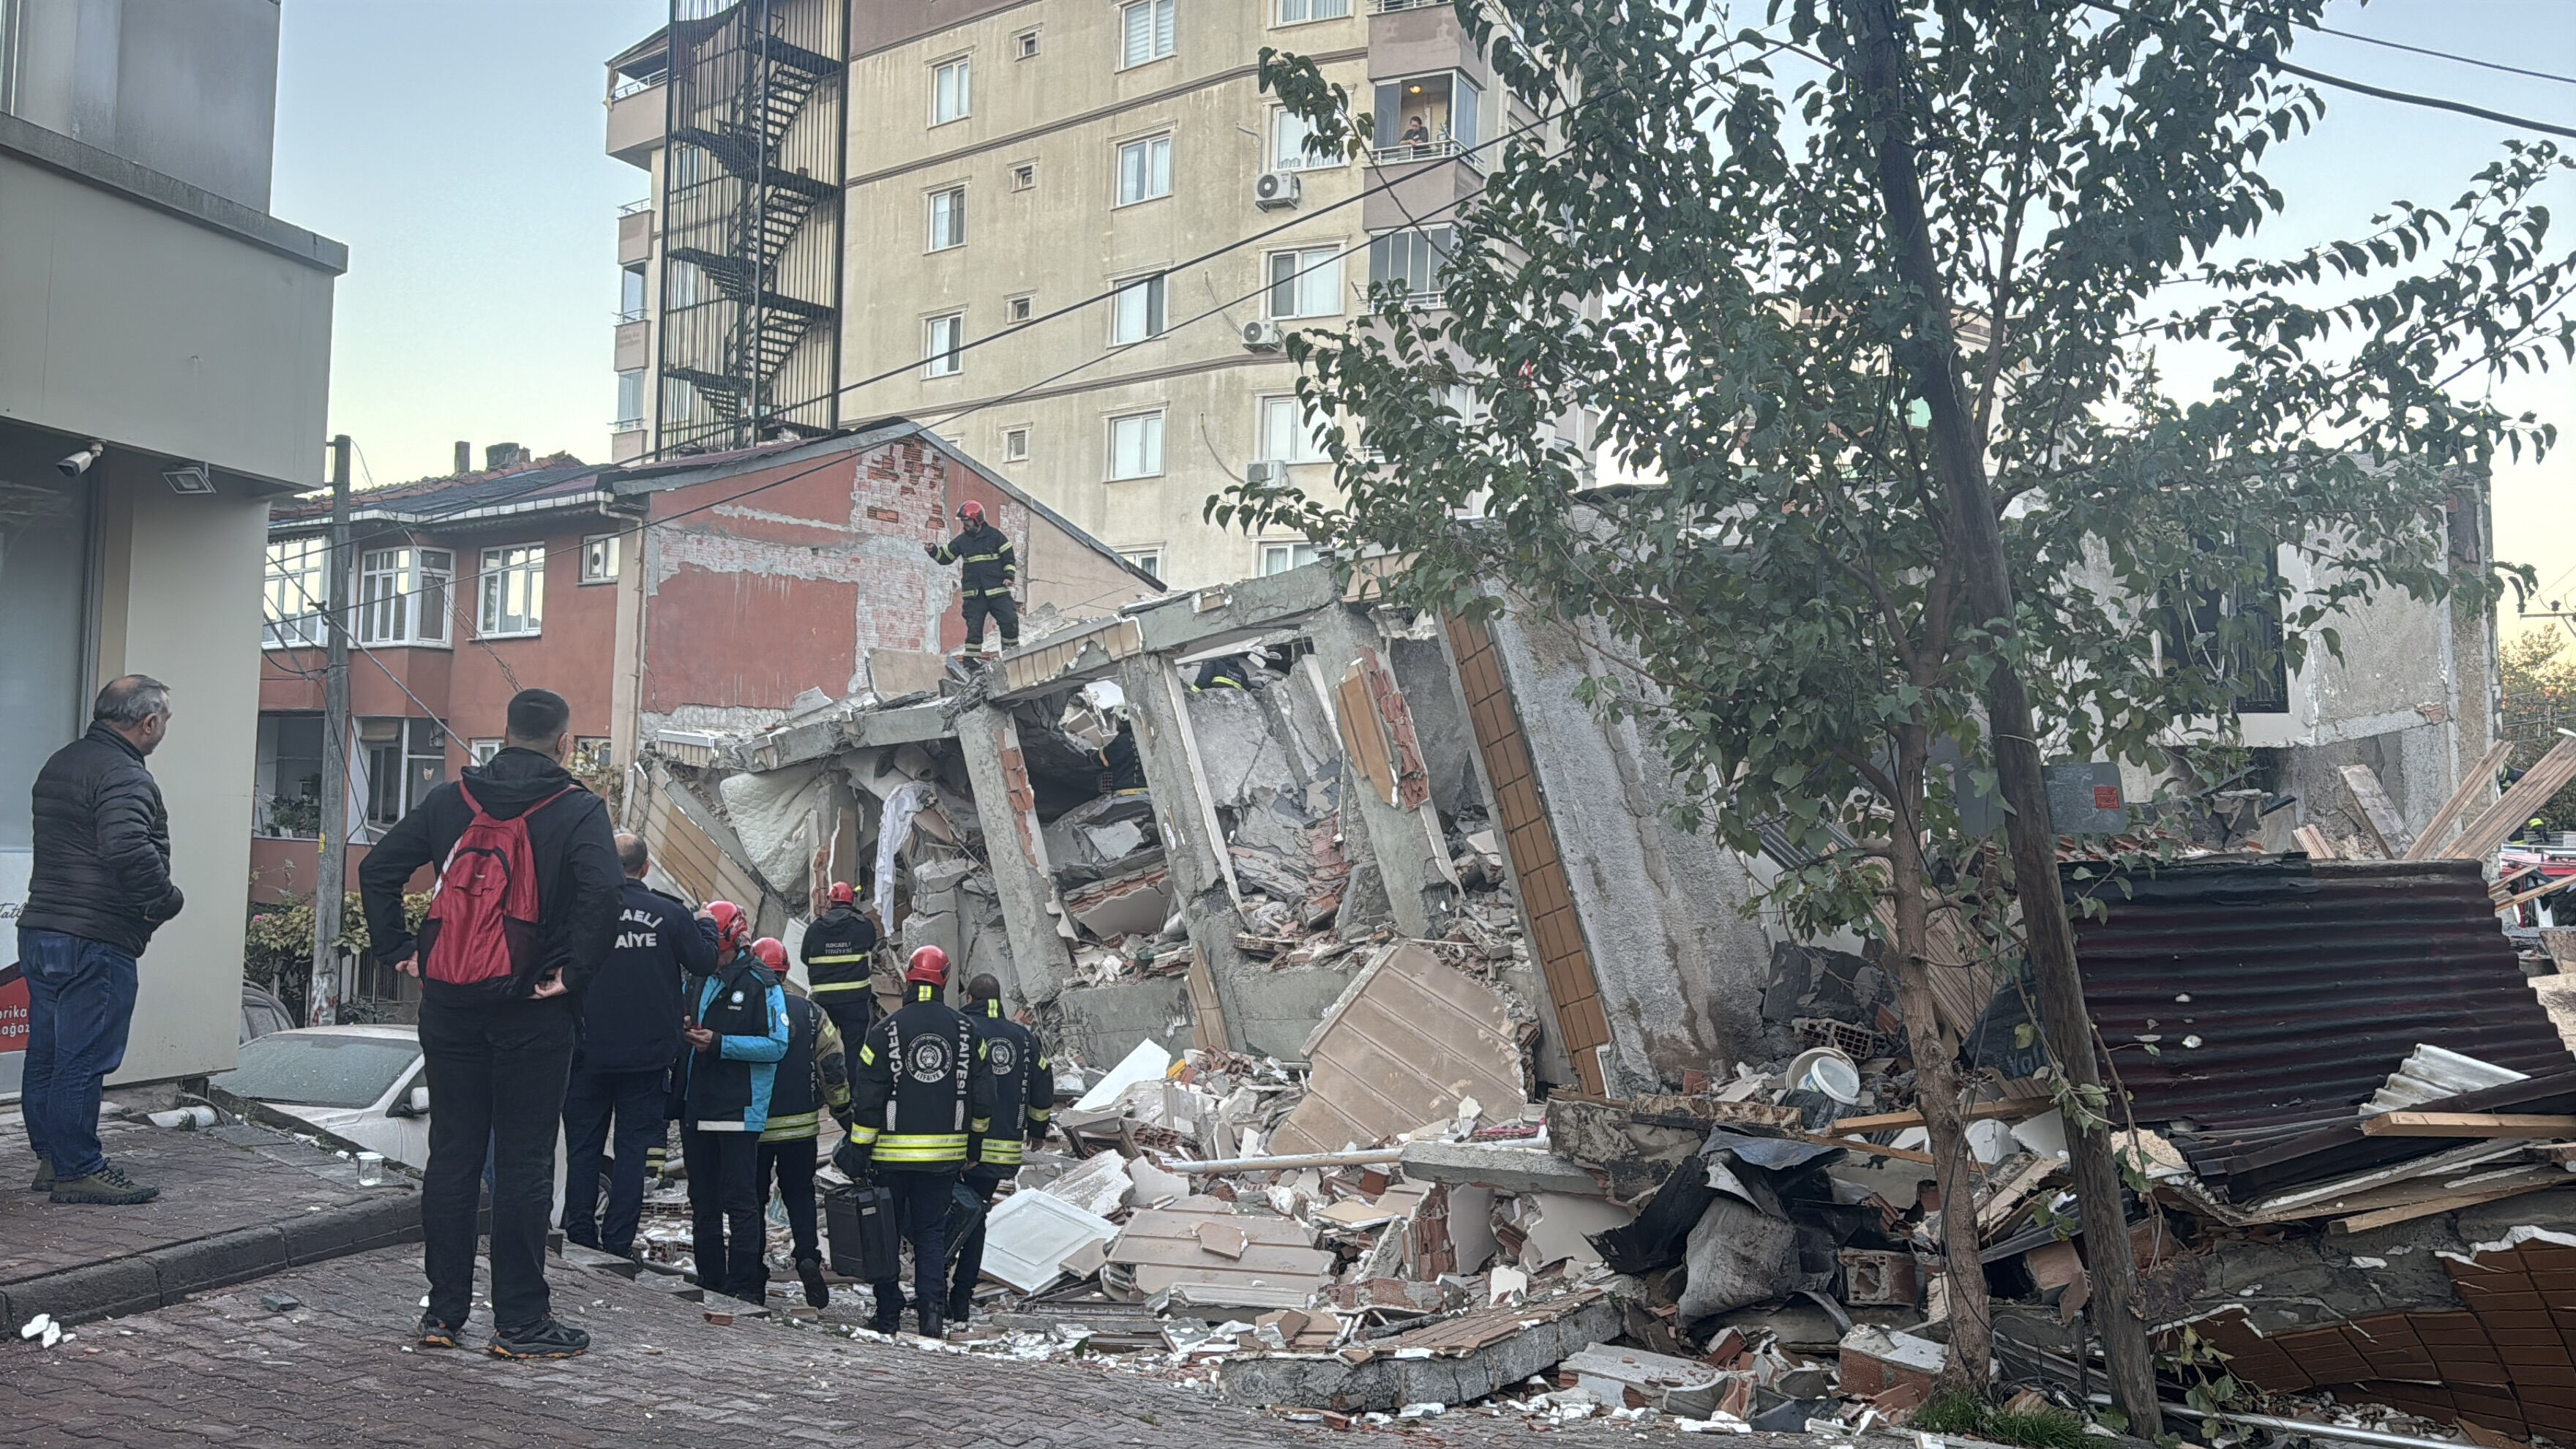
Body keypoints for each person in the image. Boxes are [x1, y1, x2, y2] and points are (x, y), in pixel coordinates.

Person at [362, 687, 621, 1359]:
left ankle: (442, 1315)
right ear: (564, 742)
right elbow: (603, 893)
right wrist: (573, 973)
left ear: (503, 735)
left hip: (449, 1004)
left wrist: (400, 951)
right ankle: (521, 1324)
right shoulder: (577, 809)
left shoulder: (452, 801)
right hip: (533, 1008)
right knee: (525, 1162)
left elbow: (378, 867)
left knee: (452, 1157)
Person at [19, 675, 184, 1206]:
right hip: (95, 937)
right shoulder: (124, 774)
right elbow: (127, 847)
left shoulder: (62, 762)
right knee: (83, 1058)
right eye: (165, 721)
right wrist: (165, 900)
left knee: (46, 1054)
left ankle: (52, 1157)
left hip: (42, 929)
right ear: (148, 721)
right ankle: (78, 1168)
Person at [561, 832, 713, 1259]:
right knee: (632, 1153)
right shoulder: (668, 913)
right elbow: (703, 961)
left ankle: (579, 1234)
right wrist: (706, 923)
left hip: (586, 1055)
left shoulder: (580, 913)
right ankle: (618, 1241)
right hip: (646, 1059)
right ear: (645, 868)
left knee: (583, 1151)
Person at [845, 946, 995, 1338]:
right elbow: (984, 1098)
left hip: (889, 1158)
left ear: (909, 978)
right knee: (930, 1234)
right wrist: (974, 1148)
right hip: (944, 1160)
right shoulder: (968, 1031)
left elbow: (868, 1098)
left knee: (887, 1235)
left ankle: (888, 1314)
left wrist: (860, 1150)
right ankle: (931, 1315)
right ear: (943, 980)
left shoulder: (884, 1031)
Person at [673, 918, 788, 1305]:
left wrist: (720, 1043)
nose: (714, 958)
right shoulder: (700, 978)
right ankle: (710, 1278)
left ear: (734, 943)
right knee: (702, 1199)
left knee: (740, 1200)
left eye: (718, 950)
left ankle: (745, 1285)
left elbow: (776, 1045)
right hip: (698, 1102)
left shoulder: (762, 983)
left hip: (739, 1106)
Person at [749, 936, 852, 1308]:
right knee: (800, 1195)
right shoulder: (811, 1014)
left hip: (754, 1128)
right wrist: (843, 1112)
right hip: (801, 1128)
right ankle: (808, 1255)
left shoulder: (743, 1009)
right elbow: (833, 1066)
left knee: (752, 1200)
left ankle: (753, 1273)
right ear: (786, 970)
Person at [947, 974, 1052, 1324]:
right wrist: (1038, 1128)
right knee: (976, 1219)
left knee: (946, 1218)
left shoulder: (961, 1030)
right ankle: (960, 1297)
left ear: (970, 997)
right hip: (1003, 1149)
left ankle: (936, 1290)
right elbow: (1042, 1080)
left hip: (959, 1148)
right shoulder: (1022, 1037)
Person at [924, 499, 1019, 659]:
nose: (964, 524)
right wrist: (933, 551)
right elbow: (945, 557)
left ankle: (1012, 656)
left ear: (977, 520)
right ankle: (972, 662)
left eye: (966, 520)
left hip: (997, 591)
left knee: (1009, 620)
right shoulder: (962, 541)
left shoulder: (995, 537)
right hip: (974, 595)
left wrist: (1009, 576)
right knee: (974, 630)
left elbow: (1009, 558)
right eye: (963, 521)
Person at [801, 881, 880, 1055]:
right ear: (851, 901)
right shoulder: (863, 926)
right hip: (854, 1002)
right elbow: (870, 945)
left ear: (830, 902)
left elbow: (805, 958)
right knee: (854, 1049)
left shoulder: (814, 930)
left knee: (824, 1049)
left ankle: (825, 1082)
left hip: (824, 1003)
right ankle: (852, 1082)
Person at [1098, 719, 1147, 795]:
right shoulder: (1146, 737)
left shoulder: (1122, 740)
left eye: (1117, 719)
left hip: (1125, 792)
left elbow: (1103, 758)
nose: (1116, 722)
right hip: (1148, 791)